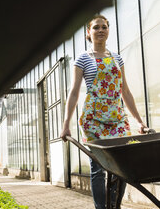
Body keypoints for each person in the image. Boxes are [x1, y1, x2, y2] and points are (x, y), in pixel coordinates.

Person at [60, 14, 148, 209]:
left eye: (104, 27)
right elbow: (73, 93)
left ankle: (114, 205)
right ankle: (102, 207)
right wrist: (66, 125)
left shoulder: (117, 58)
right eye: (96, 27)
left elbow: (125, 91)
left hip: (117, 118)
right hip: (94, 119)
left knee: (121, 167)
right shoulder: (82, 59)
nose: (100, 30)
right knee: (98, 168)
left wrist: (140, 121)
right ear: (88, 34)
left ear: (108, 31)